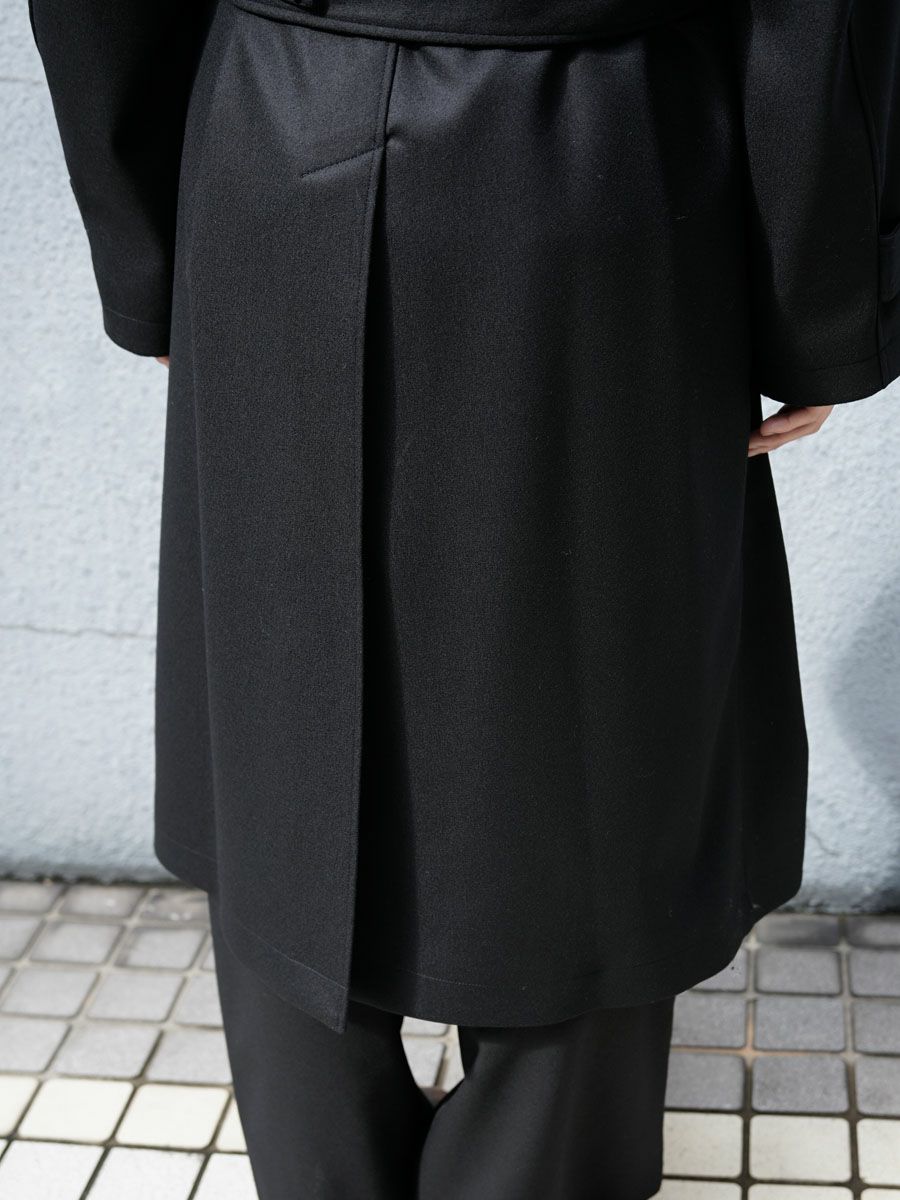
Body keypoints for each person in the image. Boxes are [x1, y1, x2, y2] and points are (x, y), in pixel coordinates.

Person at [29, 0, 899, 1196]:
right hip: (601, 167)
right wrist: (817, 304)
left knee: (284, 696)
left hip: (275, 136)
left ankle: (325, 1169)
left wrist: (154, 251)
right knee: (590, 727)